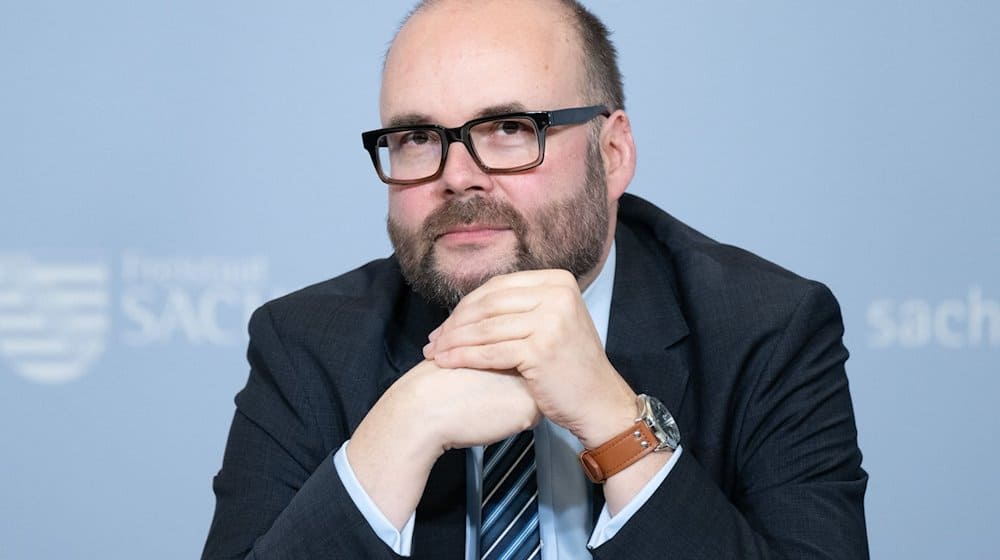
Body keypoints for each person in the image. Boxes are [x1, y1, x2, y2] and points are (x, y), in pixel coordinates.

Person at [202, 0, 869, 558]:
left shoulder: (767, 329)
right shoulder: (306, 345)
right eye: (415, 138)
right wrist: (399, 431)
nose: (456, 176)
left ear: (612, 155)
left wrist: (616, 426)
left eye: (509, 129)